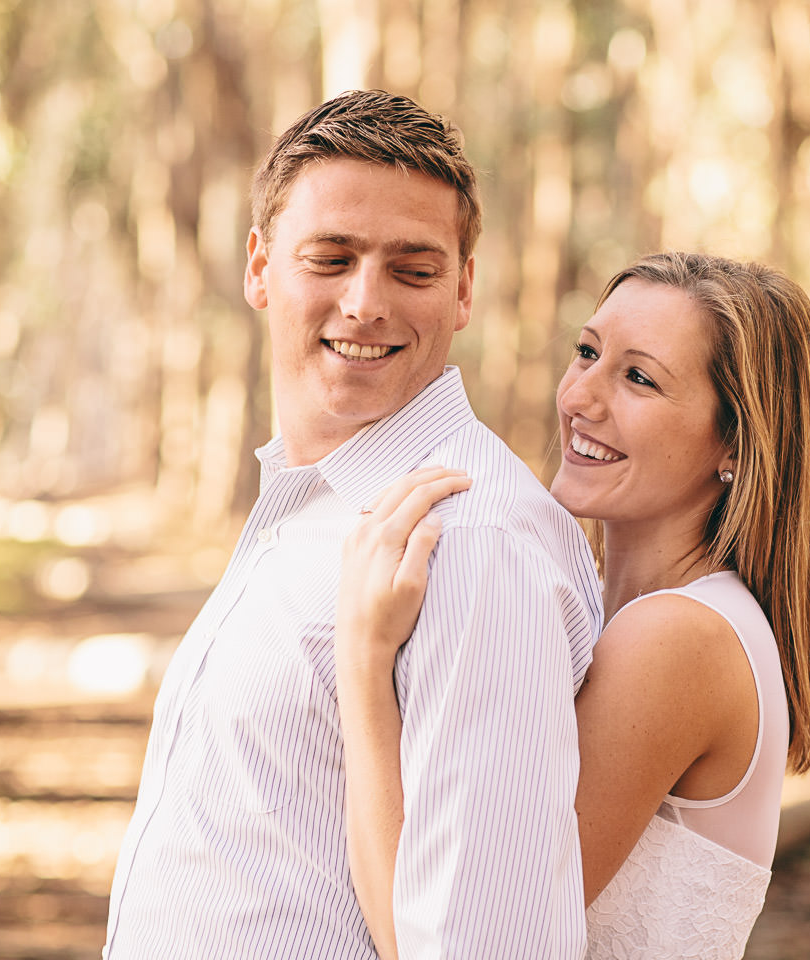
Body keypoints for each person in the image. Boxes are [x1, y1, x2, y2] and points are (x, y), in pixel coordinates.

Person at [101, 90, 603, 959]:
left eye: (413, 270)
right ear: (259, 267)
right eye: (330, 258)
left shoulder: (473, 541)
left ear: (463, 290)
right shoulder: (310, 501)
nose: (366, 303)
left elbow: (483, 943)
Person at [336, 251, 810, 959]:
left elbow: (444, 941)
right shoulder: (623, 617)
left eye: (638, 377)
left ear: (734, 442)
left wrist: (361, 660)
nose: (579, 398)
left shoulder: (678, 637)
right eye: (587, 353)